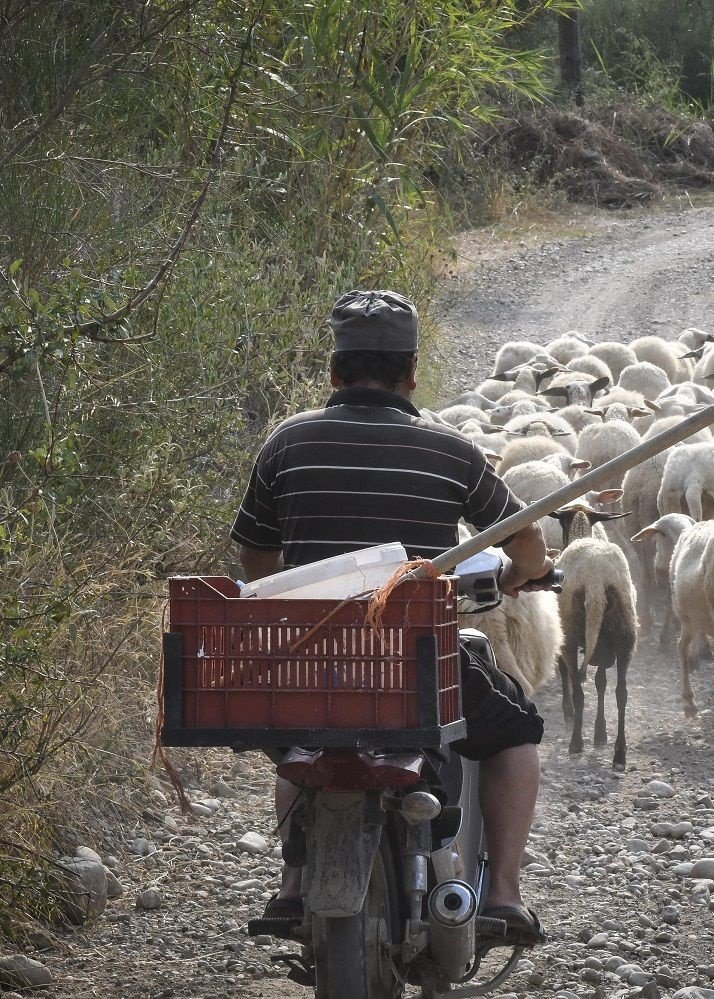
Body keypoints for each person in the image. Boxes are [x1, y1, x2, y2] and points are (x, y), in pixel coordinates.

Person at [229, 289, 553, 944]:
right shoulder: (451, 450)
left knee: (298, 743)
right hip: (414, 667)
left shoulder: (286, 443)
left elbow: (256, 558)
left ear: (333, 372)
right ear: (410, 373)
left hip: (310, 667)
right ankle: (507, 895)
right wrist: (522, 577)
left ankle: (295, 885)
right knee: (515, 735)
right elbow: (526, 544)